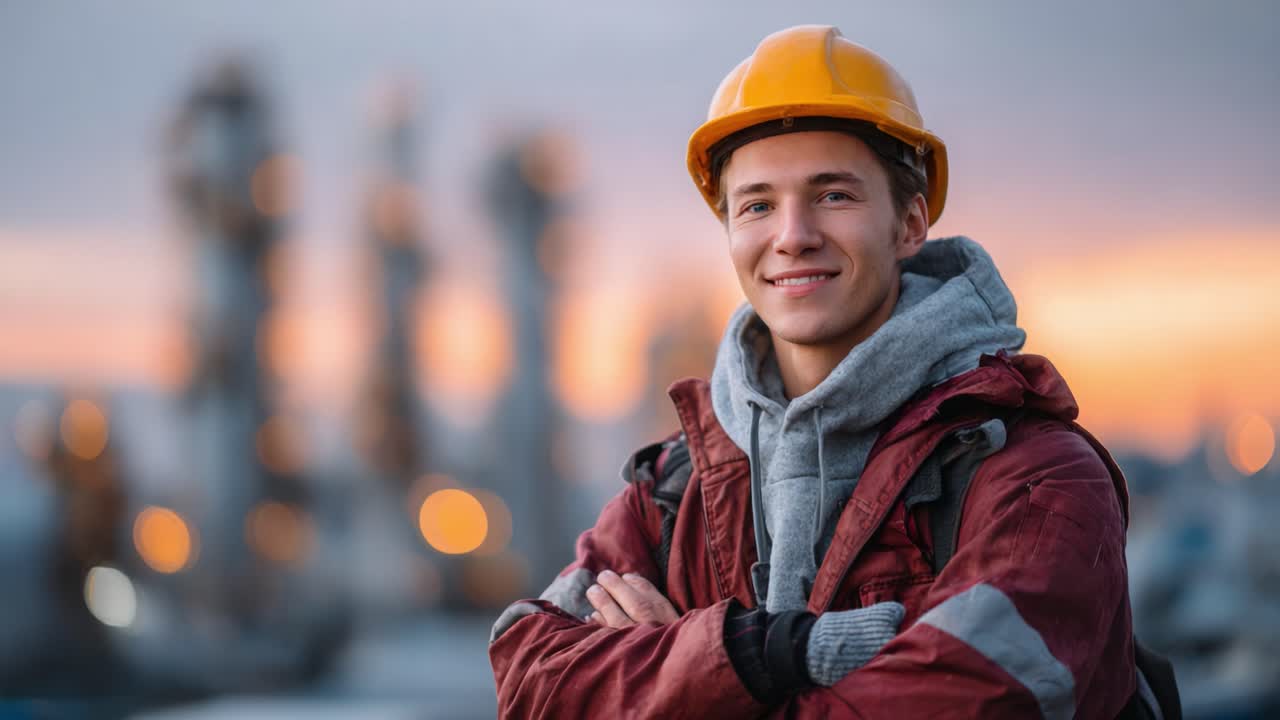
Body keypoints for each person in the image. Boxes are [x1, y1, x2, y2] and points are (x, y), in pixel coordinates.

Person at [489, 25, 1144, 718]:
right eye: (759, 205)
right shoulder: (677, 492)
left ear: (911, 223)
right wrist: (766, 651)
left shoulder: (1035, 480)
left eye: (834, 195)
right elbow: (529, 677)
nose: (793, 235)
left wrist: (675, 673)